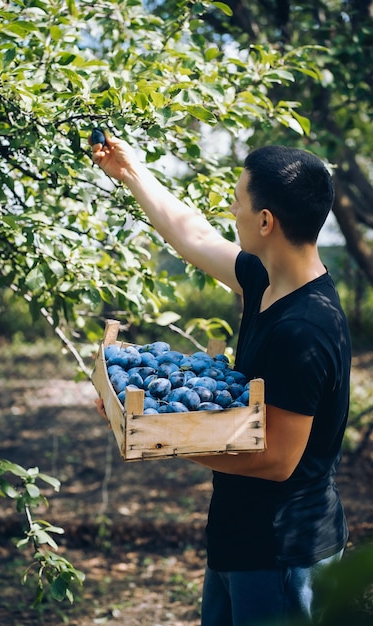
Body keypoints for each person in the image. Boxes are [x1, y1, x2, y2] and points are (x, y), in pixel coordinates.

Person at [90, 134, 351, 626]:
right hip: (241, 538)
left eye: (237, 203)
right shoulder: (266, 280)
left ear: (266, 221)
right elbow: (191, 236)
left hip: (282, 552)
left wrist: (153, 433)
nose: (230, 213)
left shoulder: (305, 330)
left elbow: (276, 459)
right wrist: (132, 171)